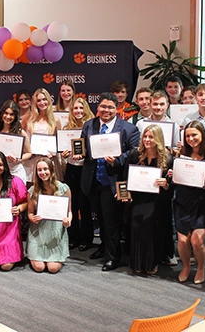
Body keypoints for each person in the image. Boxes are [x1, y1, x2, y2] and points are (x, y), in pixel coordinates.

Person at [81, 92, 140, 271]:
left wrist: (117, 159)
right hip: (92, 180)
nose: (106, 110)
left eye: (110, 107)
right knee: (99, 217)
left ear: (117, 109)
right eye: (103, 107)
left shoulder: (129, 129)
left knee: (111, 220)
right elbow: (83, 146)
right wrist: (78, 152)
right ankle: (104, 247)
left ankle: (112, 257)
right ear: (97, 108)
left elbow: (134, 153)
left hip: (113, 181)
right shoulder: (89, 125)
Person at [168, 120, 205, 283]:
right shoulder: (180, 156)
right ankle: (186, 266)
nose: (191, 138)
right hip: (183, 202)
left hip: (204, 204)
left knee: (197, 240)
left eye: (194, 135)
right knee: (182, 241)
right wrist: (172, 175)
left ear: (203, 135)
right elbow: (175, 182)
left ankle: (201, 267)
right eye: (188, 135)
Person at [124, 124, 173, 275]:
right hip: (138, 199)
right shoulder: (135, 154)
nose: (147, 140)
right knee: (137, 226)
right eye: (145, 136)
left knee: (152, 228)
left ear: (158, 139)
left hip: (158, 201)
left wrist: (165, 184)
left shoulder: (168, 159)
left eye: (151, 137)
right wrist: (124, 194)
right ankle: (138, 262)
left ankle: (152, 262)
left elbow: (172, 187)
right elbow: (126, 178)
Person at [27, 157, 72, 273]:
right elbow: (30, 213)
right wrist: (33, 219)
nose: (42, 173)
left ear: (51, 170)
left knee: (52, 269)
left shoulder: (64, 188)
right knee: (39, 267)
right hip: (38, 232)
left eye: (45, 169)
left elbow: (69, 212)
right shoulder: (32, 190)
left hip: (55, 232)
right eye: (39, 170)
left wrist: (68, 220)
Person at [61, 97, 94, 250]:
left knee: (84, 204)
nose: (78, 111)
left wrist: (84, 153)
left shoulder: (92, 127)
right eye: (75, 108)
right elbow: (61, 148)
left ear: (86, 109)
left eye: (81, 108)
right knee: (71, 204)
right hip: (71, 168)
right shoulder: (67, 128)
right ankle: (73, 237)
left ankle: (87, 239)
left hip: (85, 169)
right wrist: (64, 153)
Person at [22, 88, 62, 182]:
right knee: (32, 190)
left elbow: (58, 142)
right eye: (39, 100)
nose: (42, 102)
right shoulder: (27, 118)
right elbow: (22, 140)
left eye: (44, 99)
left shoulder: (55, 120)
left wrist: (53, 152)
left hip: (48, 160)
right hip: (31, 161)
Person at [0, 100, 32, 183]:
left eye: (11, 114)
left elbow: (29, 153)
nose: (8, 117)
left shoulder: (20, 133)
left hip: (15, 171)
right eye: (6, 113)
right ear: (1, 114)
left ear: (16, 116)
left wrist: (18, 159)